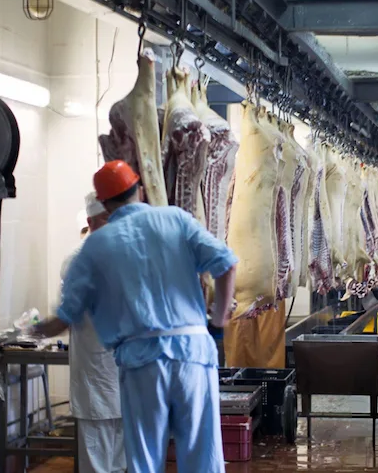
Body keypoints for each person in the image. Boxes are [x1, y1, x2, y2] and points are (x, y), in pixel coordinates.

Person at [32, 160, 238, 473]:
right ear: (140, 190)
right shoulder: (176, 219)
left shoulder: (95, 246)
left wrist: (36, 329)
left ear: (104, 205)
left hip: (142, 363)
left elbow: (65, 316)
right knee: (201, 455)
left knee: (144, 459)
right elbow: (226, 264)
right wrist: (219, 319)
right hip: (193, 354)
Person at [64, 193, 124, 473]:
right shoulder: (78, 260)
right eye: (106, 219)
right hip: (95, 377)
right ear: (90, 222)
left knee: (120, 462)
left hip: (123, 374)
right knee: (97, 461)